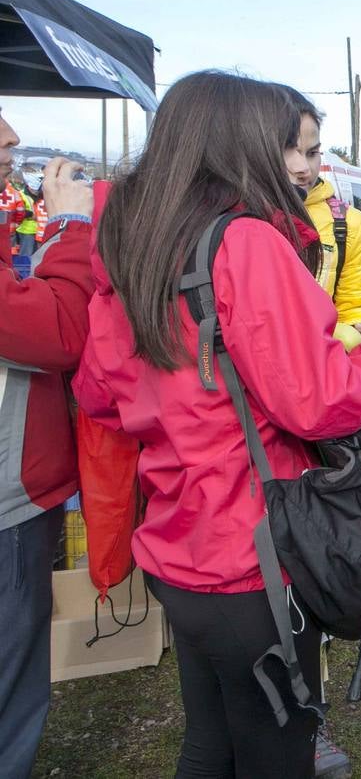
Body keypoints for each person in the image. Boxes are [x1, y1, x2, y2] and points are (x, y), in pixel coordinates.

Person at [72, 72, 361, 777]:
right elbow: (316, 400)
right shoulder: (244, 242)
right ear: (242, 144)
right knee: (275, 756)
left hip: (177, 548)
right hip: (253, 558)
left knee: (209, 744)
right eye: (290, 146)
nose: (303, 165)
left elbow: (98, 392)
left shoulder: (135, 245)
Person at [0, 109, 94, 779]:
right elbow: (60, 333)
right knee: (12, 675)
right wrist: (68, 228)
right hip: (8, 502)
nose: (9, 138)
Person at [280, 87, 361, 351]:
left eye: (312, 152)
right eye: (288, 149)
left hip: (316, 370)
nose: (303, 168)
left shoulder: (346, 221)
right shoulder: (234, 218)